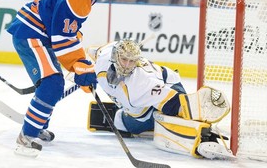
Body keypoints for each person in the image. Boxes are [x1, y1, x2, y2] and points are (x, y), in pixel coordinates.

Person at [6, 0, 117, 157]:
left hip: (41, 34)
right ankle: (25, 138)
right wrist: (80, 66)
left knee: (52, 85)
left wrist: (80, 63)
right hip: (31, 34)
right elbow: (62, 39)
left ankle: (37, 124)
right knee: (52, 84)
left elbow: (69, 30)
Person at [87, 38, 234, 159]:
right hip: (141, 100)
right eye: (124, 59)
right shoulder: (104, 56)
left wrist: (198, 113)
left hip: (166, 86)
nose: (127, 65)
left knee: (137, 120)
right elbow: (94, 50)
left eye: (132, 61)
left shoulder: (140, 85)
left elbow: (176, 104)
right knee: (124, 119)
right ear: (114, 55)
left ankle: (196, 138)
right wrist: (80, 68)